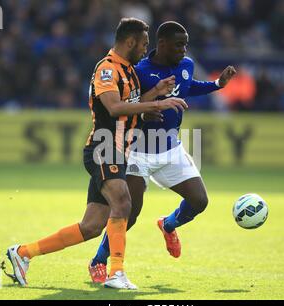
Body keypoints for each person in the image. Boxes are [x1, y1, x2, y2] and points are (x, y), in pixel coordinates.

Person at [5, 18, 187, 290]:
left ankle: (22, 253)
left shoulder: (129, 70)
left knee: (91, 227)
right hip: (104, 147)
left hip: (117, 152)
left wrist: (154, 94)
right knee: (123, 202)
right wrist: (154, 102)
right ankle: (117, 273)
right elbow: (114, 107)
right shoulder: (107, 69)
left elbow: (131, 103)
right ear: (130, 41)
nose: (145, 49)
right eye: (144, 44)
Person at [88, 21, 236, 283]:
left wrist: (216, 84)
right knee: (129, 213)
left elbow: (190, 86)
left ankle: (168, 225)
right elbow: (128, 103)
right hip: (137, 151)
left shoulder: (186, 65)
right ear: (163, 44)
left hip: (170, 149)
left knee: (200, 201)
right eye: (179, 44)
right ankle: (99, 260)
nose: (184, 49)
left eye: (186, 44)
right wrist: (153, 102)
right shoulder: (139, 70)